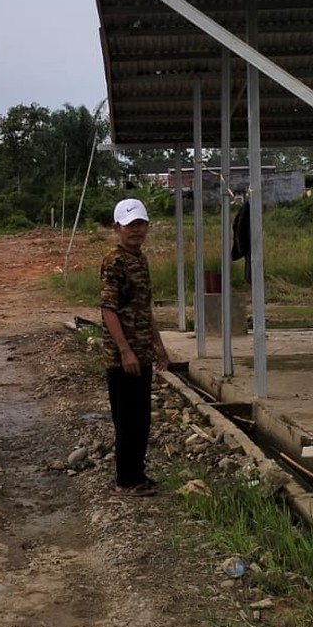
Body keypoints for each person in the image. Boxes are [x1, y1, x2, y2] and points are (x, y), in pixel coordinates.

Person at [99, 197, 171, 496]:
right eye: (130, 226)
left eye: (141, 224)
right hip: (122, 358)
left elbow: (144, 308)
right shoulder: (114, 261)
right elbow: (108, 309)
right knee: (127, 420)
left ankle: (137, 475)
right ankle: (125, 481)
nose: (136, 231)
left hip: (141, 354)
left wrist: (158, 345)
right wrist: (125, 350)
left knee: (141, 418)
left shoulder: (139, 258)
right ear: (117, 228)